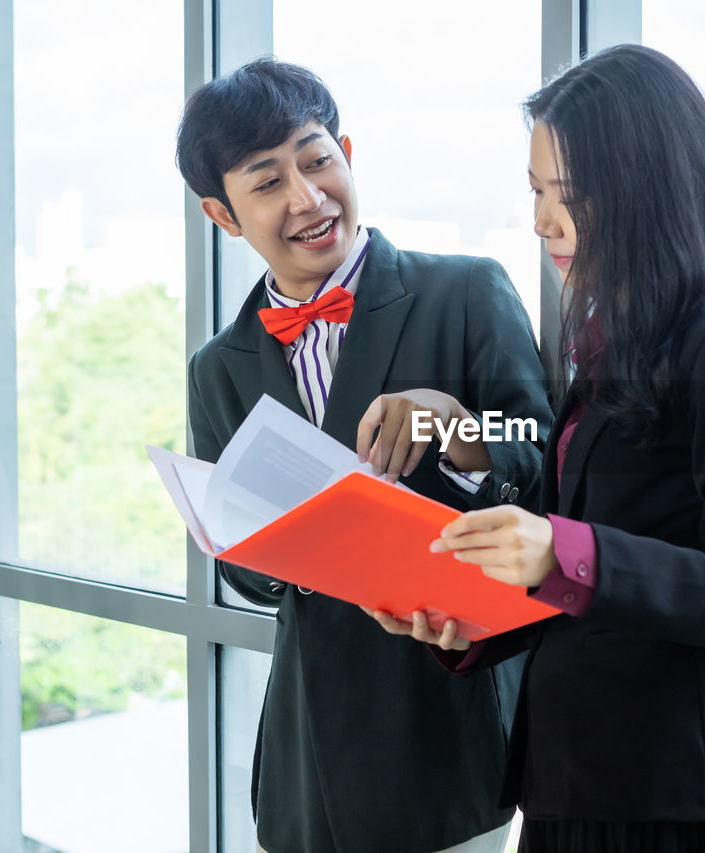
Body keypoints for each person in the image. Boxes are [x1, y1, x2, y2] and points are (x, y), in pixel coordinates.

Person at [368, 44, 705, 853]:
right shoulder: (615, 338)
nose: (541, 220)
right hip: (573, 786)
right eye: (536, 191)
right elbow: (573, 558)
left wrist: (566, 552)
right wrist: (470, 621)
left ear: (647, 190)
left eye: (566, 196)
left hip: (679, 806)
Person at [176, 58, 552, 853]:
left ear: (346, 151)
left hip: (452, 729)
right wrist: (263, 541)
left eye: (317, 160)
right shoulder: (220, 365)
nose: (307, 198)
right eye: (267, 180)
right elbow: (245, 575)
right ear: (222, 213)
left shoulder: (466, 292)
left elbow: (546, 450)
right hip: (308, 753)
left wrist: (461, 430)